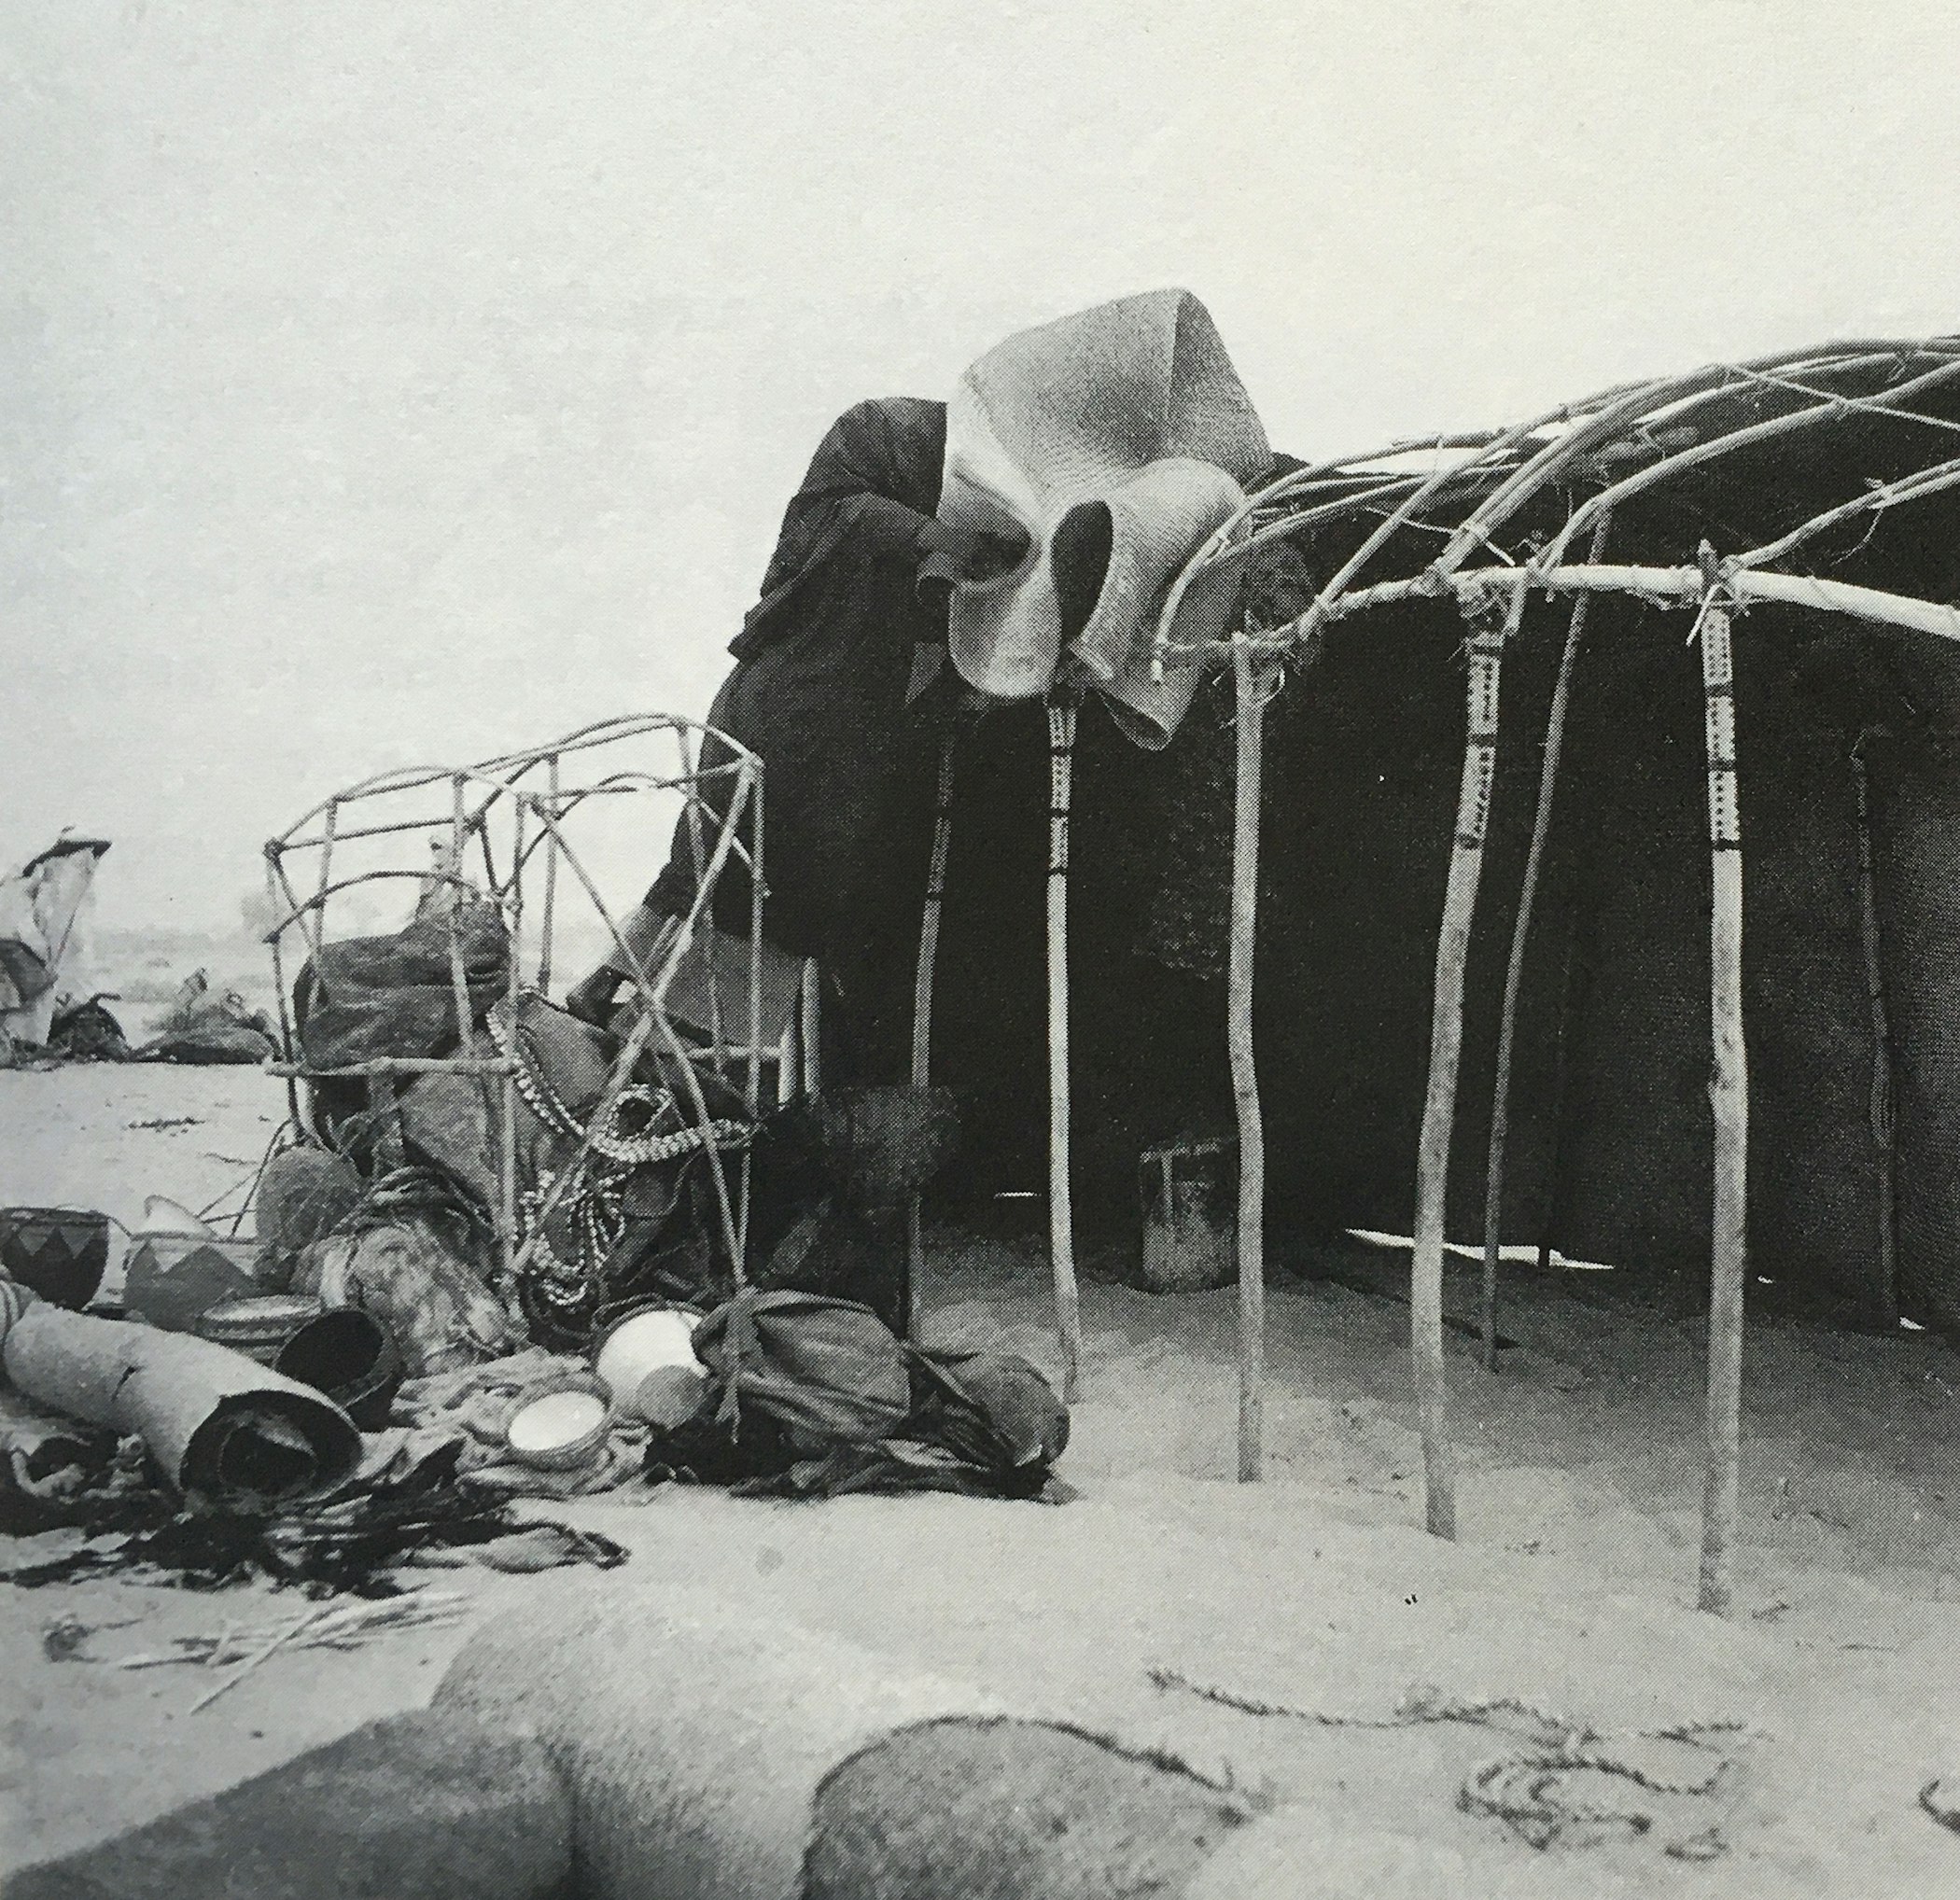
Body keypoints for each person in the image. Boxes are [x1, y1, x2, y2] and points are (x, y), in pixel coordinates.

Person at [567, 398, 1016, 1084]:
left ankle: (657, 1022)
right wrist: (939, 539)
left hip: (834, 738)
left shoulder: (908, 573)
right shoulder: (869, 482)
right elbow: (842, 515)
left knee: (769, 881)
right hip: (783, 716)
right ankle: (635, 1007)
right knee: (729, 862)